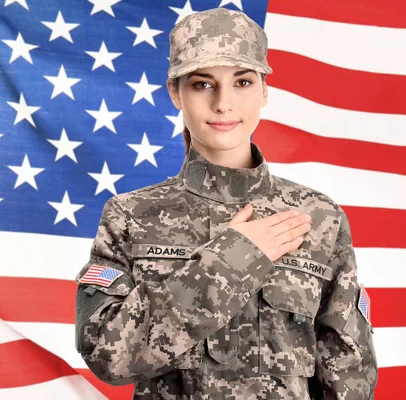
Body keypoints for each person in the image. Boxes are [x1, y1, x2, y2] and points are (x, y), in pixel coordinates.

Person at [74, 7, 378, 400]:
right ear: (175, 92)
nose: (223, 103)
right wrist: (231, 260)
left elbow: (348, 375)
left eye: (242, 82)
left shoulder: (317, 217)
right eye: (202, 84)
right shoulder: (132, 216)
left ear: (264, 91)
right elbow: (106, 355)